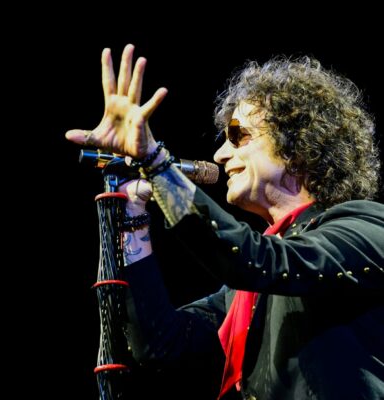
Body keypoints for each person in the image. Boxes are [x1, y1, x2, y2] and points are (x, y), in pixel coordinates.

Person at [66, 44, 384, 399]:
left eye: (238, 136)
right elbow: (162, 343)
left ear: (297, 144)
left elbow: (260, 261)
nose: (220, 154)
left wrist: (157, 164)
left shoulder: (369, 225)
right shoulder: (246, 294)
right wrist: (133, 214)